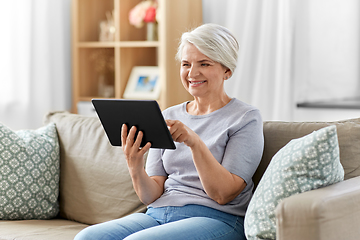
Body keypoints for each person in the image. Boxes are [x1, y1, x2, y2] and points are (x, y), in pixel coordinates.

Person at [74, 23, 264, 240]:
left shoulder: (245, 118)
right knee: (87, 237)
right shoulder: (167, 115)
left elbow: (222, 194)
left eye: (204, 63)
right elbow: (151, 195)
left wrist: (195, 142)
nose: (192, 73)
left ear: (227, 70)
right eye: (186, 64)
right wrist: (134, 165)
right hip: (159, 213)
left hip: (217, 218)